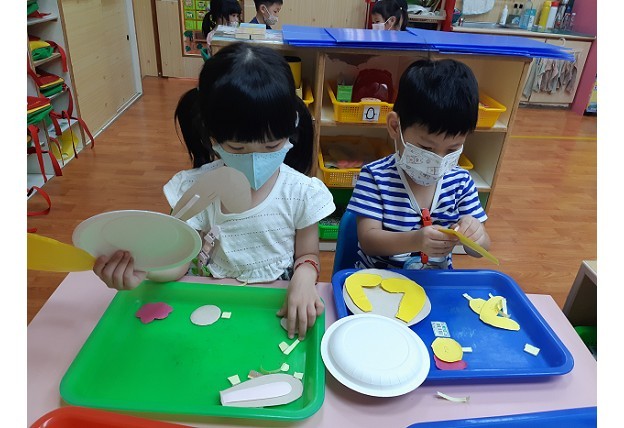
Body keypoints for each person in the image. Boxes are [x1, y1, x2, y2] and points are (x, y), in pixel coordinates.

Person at [94, 43, 335, 340]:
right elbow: (180, 261)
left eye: (271, 146)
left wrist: (305, 276)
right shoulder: (196, 191)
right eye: (238, 148)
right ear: (213, 138)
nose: (255, 160)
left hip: (275, 307)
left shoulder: (301, 193)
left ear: (291, 128)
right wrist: (144, 269)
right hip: (209, 305)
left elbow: (308, 254)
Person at [346, 58, 490, 271]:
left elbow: (481, 248)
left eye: (452, 150)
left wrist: (476, 236)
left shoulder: (461, 182)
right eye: (427, 148)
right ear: (395, 127)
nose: (438, 161)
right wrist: (415, 240)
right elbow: (369, 241)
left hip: (434, 283)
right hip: (378, 281)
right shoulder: (375, 177)